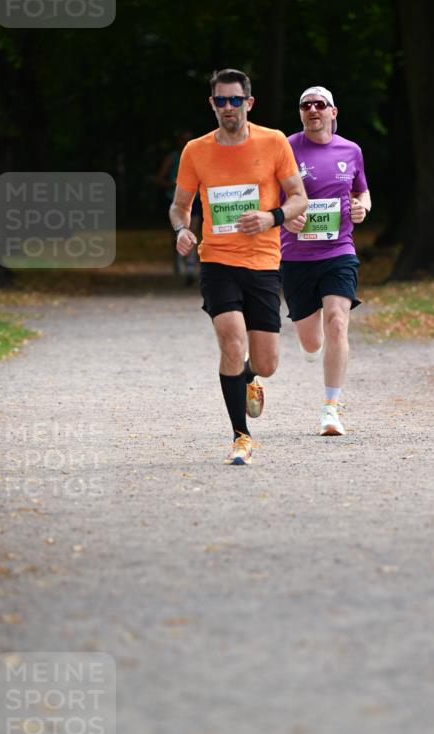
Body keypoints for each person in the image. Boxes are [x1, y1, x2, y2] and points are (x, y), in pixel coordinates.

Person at [170, 69, 307, 465]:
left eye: (235, 100)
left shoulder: (274, 141)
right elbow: (180, 206)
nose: (228, 107)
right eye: (220, 101)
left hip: (263, 262)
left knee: (266, 363)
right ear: (212, 105)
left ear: (249, 102)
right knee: (231, 340)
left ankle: (247, 376)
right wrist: (182, 229)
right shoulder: (195, 150)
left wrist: (271, 217)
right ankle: (241, 436)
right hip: (218, 261)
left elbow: (299, 197)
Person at [281, 86, 371, 435]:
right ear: (300, 113)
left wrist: (363, 207)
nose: (313, 109)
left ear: (333, 112)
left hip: (339, 251)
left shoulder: (351, 150)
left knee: (337, 321)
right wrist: (286, 217)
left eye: (320, 104)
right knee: (311, 342)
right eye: (306, 105)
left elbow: (362, 190)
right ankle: (312, 342)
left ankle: (330, 410)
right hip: (296, 256)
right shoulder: (286, 148)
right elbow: (269, 195)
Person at [156, 130, 201, 285]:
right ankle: (179, 258)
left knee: (192, 231)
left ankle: (190, 267)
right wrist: (174, 185)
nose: (185, 142)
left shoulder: (198, 156)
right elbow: (160, 179)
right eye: (183, 139)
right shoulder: (172, 158)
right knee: (179, 231)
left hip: (195, 200)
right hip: (175, 200)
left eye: (189, 138)